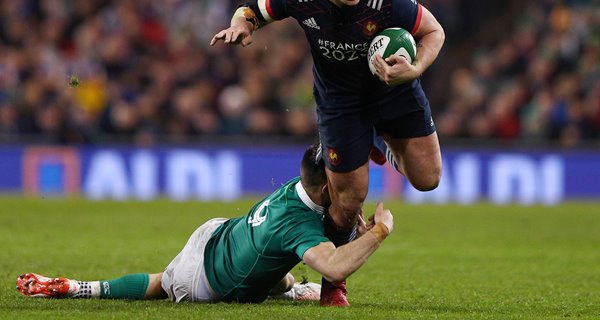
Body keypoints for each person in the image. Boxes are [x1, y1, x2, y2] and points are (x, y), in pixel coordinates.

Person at [210, 0, 444, 305]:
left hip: (394, 87)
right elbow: (250, 9)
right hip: (341, 101)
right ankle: (334, 284)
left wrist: (414, 70)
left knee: (428, 179)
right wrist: (242, 26)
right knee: (349, 198)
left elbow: (433, 31)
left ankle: (378, 139)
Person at [16, 144, 394, 306]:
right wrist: (379, 232)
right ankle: (78, 287)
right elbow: (335, 265)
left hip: (219, 232)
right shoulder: (298, 225)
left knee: (277, 274)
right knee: (163, 284)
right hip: (206, 278)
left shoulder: (301, 188)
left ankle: (293, 289)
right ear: (328, 186)